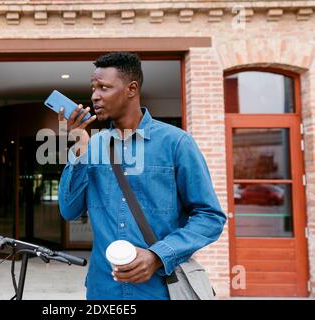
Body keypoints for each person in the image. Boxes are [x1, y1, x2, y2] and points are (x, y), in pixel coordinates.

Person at [58, 52, 226, 299]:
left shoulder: (176, 143)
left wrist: (159, 255)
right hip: (104, 290)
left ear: (131, 89)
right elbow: (69, 210)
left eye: (104, 87)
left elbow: (209, 216)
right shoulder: (93, 146)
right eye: (93, 87)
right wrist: (79, 148)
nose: (95, 96)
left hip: (160, 291)